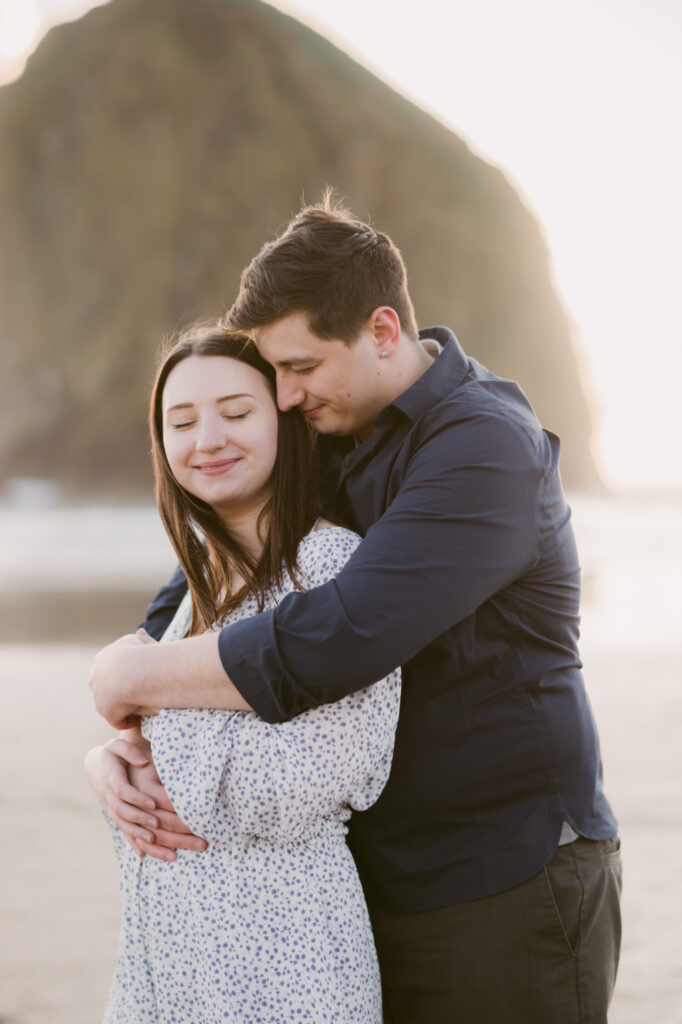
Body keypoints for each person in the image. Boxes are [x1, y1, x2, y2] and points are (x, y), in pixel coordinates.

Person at [89, 196, 622, 1023]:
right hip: (366, 872)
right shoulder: (332, 428)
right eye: (275, 376)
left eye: (301, 367)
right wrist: (120, 734)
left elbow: (342, 635)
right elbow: (219, 580)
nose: (288, 396)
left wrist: (133, 676)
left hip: (500, 872)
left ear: (381, 331)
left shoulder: (482, 446)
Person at [85, 324, 401, 1023]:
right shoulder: (193, 595)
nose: (208, 440)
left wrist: (145, 726)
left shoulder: (331, 571)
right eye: (182, 421)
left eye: (235, 412)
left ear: (286, 425)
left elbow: (281, 791)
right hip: (164, 966)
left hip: (288, 968)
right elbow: (166, 762)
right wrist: (107, 759)